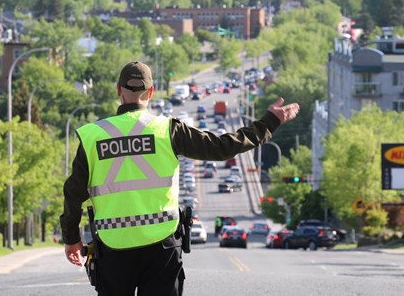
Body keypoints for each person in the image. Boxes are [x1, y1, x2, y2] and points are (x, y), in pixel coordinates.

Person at [61, 61, 299, 295]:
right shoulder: (167, 130)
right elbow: (222, 147)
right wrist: (269, 122)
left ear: (118, 90)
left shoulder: (93, 137)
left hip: (113, 247)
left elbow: (73, 193)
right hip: (161, 245)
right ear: (151, 92)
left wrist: (72, 238)